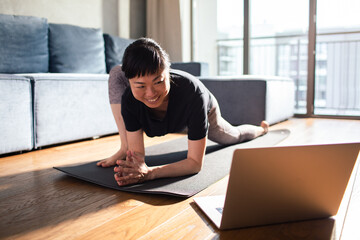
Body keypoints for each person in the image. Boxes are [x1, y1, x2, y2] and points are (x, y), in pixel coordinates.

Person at [97, 38, 269, 186]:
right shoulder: (129, 100)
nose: (150, 93)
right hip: (176, 116)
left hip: (204, 111)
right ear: (130, 82)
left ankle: (261, 129)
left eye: (158, 82)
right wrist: (135, 169)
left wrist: (150, 173)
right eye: (141, 86)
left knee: (233, 136)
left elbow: (194, 163)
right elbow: (138, 156)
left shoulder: (194, 95)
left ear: (168, 71)